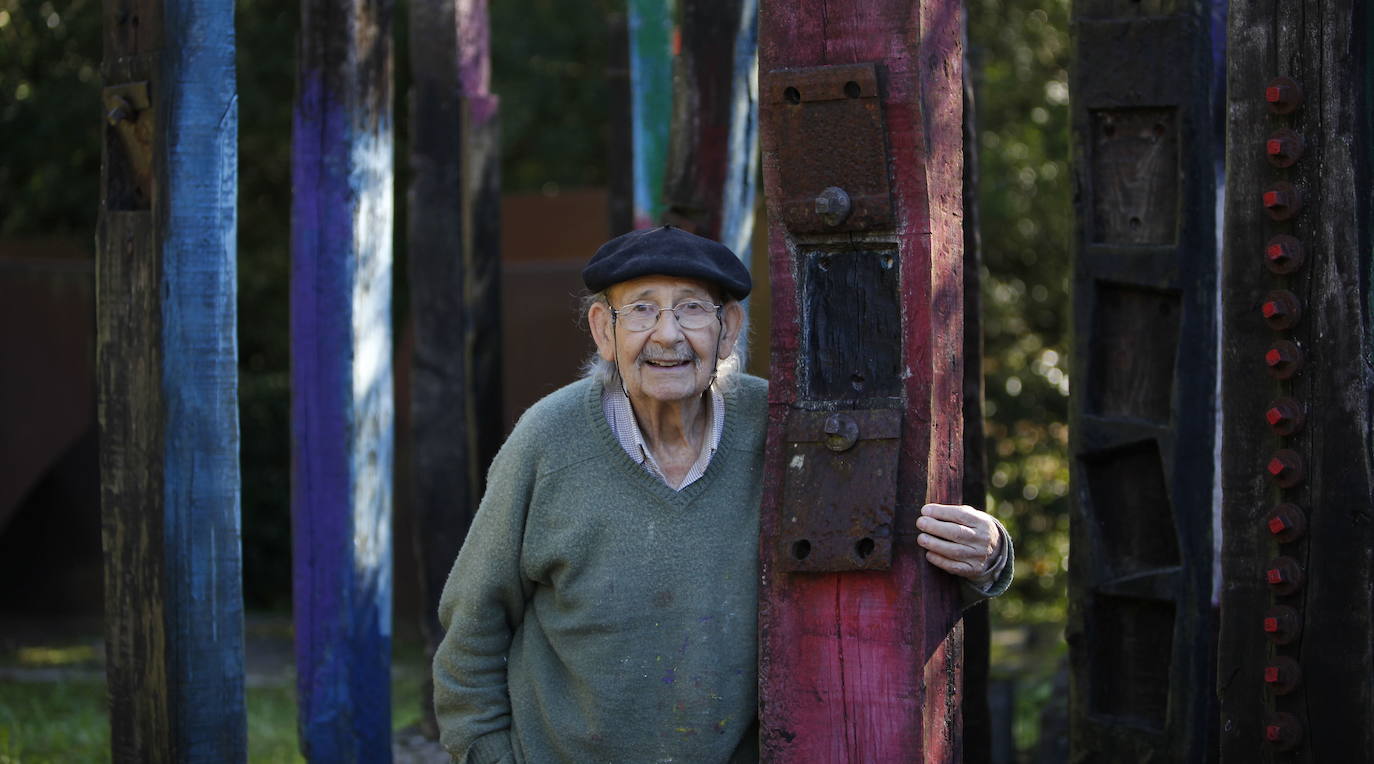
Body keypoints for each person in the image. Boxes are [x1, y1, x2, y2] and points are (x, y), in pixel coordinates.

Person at [433, 225, 1013, 763]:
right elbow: (472, 628)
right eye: (640, 310)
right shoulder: (546, 440)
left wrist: (986, 556)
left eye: (691, 309)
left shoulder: (787, 429)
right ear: (604, 331)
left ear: (728, 329)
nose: (667, 334)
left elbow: (879, 572)